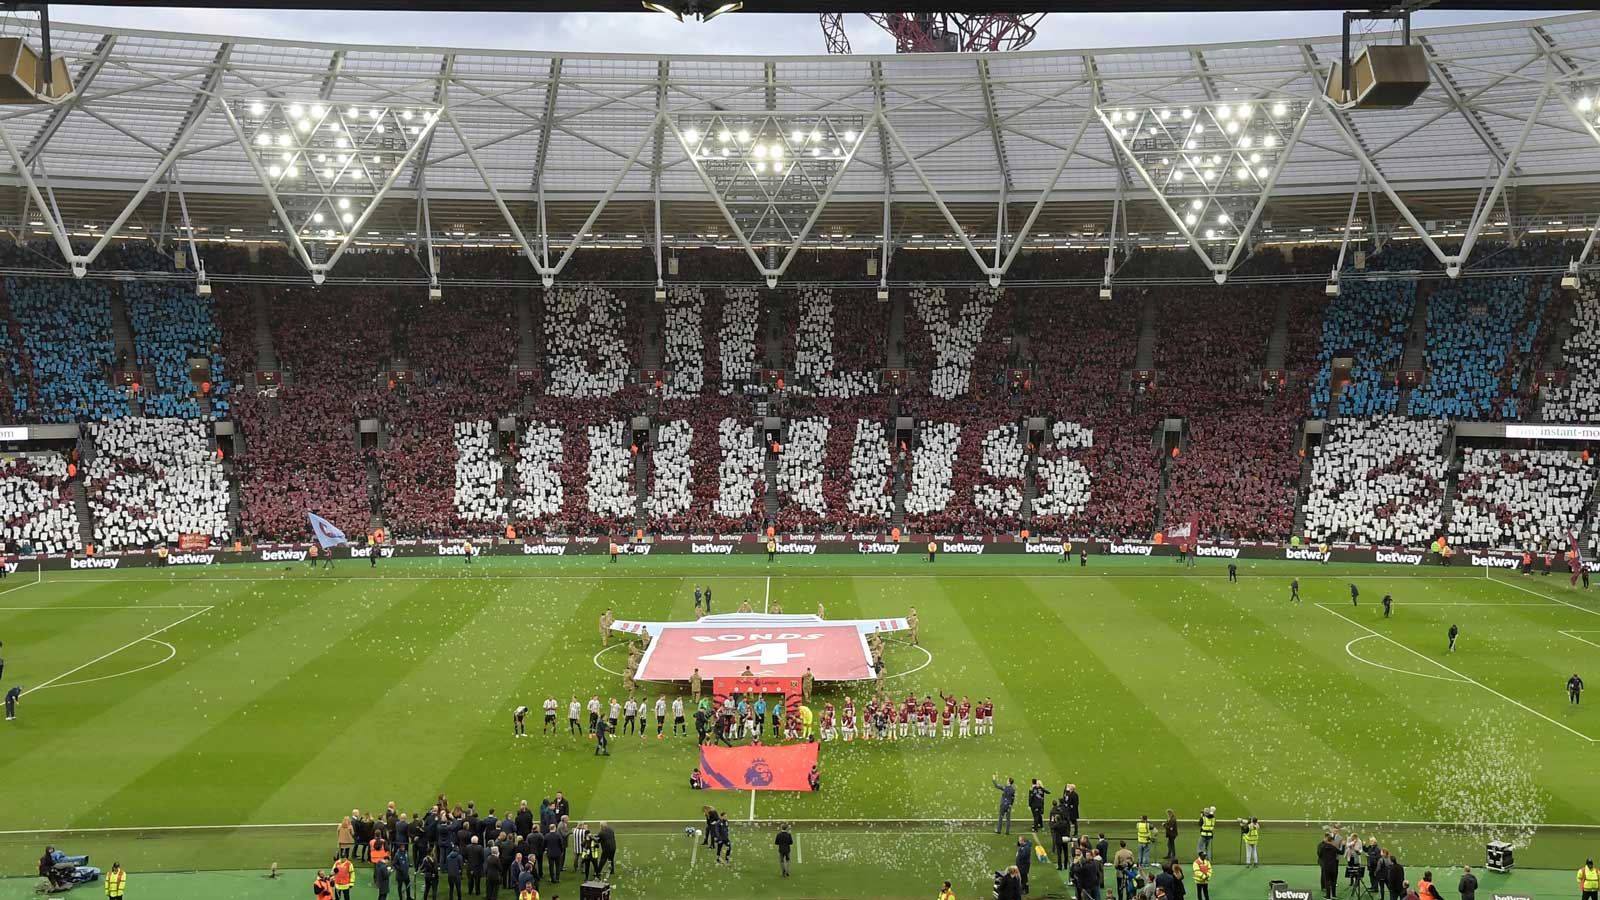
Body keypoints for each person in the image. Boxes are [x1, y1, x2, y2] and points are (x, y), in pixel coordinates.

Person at [1318, 834, 1341, 900]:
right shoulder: (1333, 847)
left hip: (1326, 866)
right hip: (1333, 867)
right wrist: (1344, 845)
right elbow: (1341, 852)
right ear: (1331, 841)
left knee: (1327, 881)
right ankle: (1334, 895)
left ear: (1327, 840)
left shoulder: (1323, 847)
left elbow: (1320, 855)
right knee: (1333, 881)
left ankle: (1328, 896)